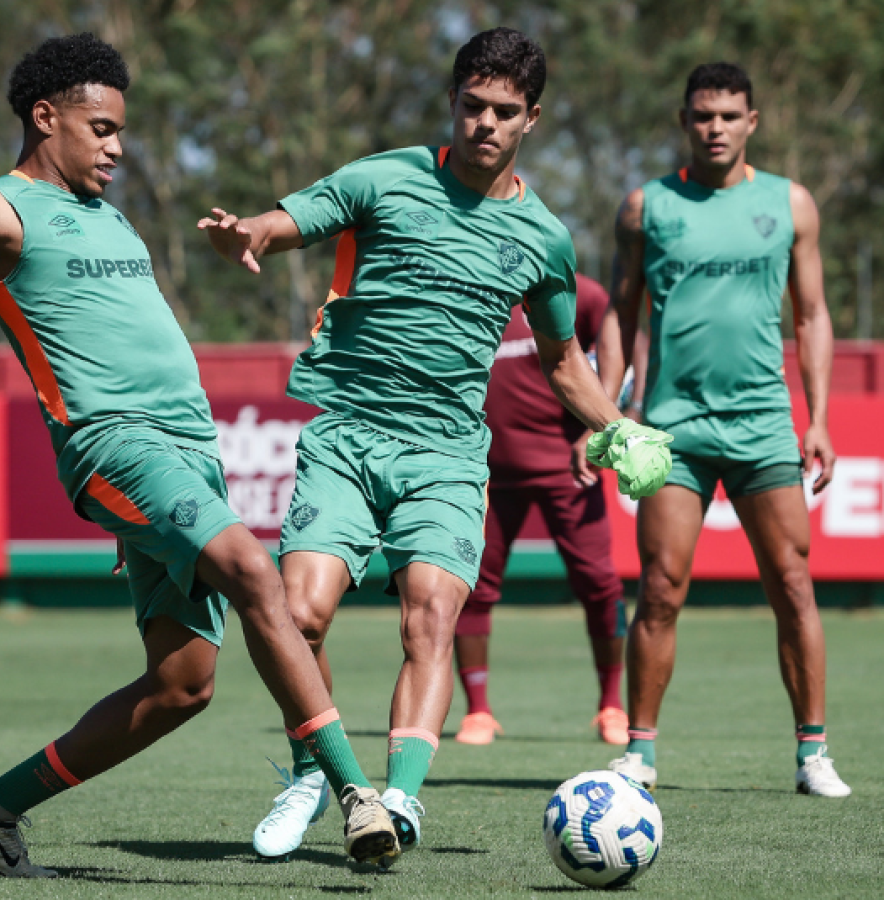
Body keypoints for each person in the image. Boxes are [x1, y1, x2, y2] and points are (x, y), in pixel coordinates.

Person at [0, 33, 401, 878]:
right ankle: (355, 796)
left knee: (182, 688)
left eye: (122, 130)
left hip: (189, 457)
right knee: (254, 570)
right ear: (45, 118)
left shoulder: (111, 216)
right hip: (114, 448)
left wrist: (150, 524)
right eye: (101, 127)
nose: (118, 146)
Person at [200, 27, 673, 863]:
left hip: (449, 456)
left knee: (432, 617)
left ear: (532, 118)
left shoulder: (544, 239)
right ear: (451, 102)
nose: (485, 123)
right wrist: (251, 233)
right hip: (346, 435)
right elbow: (293, 218)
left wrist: (616, 426)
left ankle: (398, 803)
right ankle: (318, 772)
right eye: (472, 105)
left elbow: (565, 359)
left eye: (504, 111)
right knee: (299, 616)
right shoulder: (385, 176)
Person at [604, 62, 850, 797]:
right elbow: (621, 315)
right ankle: (639, 754)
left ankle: (813, 755)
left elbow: (811, 316)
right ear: (685, 121)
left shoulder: (792, 203)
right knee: (660, 589)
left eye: (729, 115)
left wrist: (821, 419)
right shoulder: (646, 207)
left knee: (793, 583)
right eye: (703, 115)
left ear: (752, 122)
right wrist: (615, 413)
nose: (716, 127)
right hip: (673, 430)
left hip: (764, 426)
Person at [453, 274, 629, 747]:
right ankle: (478, 712)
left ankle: (612, 705)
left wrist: (601, 424)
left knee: (600, 585)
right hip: (485, 470)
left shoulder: (577, 292)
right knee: (471, 587)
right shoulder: (469, 286)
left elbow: (619, 336)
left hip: (569, 468)